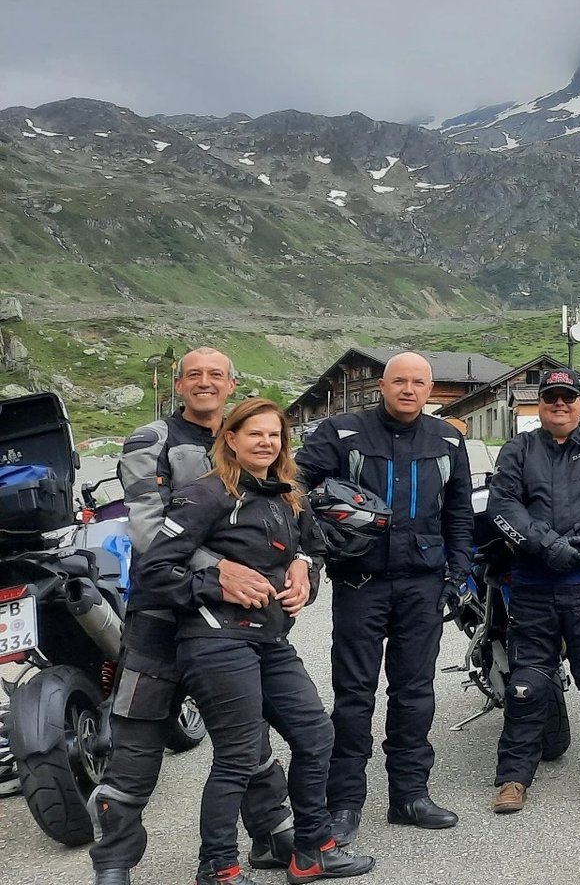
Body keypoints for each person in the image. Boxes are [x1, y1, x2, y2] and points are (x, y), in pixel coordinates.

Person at [140, 398, 374, 885]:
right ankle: (218, 867)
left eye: (275, 435)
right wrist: (214, 584)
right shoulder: (203, 495)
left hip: (269, 638)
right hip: (215, 640)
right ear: (230, 438)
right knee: (240, 755)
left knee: (316, 736)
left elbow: (313, 543)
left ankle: (312, 852)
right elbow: (154, 571)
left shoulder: (287, 493)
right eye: (255, 434)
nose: (267, 443)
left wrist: (304, 567)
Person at [91, 350, 296, 885]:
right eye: (194, 375)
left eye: (216, 375)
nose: (205, 383)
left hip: (234, 624)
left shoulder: (255, 439)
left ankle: (273, 837)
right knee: (135, 744)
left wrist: (300, 562)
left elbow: (288, 517)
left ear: (233, 384)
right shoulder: (151, 441)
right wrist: (223, 568)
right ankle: (112, 863)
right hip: (161, 617)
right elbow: (147, 530)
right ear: (179, 385)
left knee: (247, 733)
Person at [295, 351, 473, 841]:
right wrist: (317, 535)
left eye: (419, 382)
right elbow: (294, 484)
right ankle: (345, 803)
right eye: (400, 381)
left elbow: (458, 511)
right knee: (354, 695)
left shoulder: (447, 439)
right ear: (383, 385)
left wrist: (460, 573)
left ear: (430, 389)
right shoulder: (343, 432)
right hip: (360, 583)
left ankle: (410, 795)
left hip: (423, 584)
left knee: (415, 694)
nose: (409, 389)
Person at [485, 368, 580, 812]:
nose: (560, 404)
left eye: (568, 397)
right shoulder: (519, 448)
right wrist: (547, 545)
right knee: (527, 687)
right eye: (551, 397)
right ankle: (513, 779)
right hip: (533, 584)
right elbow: (503, 504)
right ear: (539, 404)